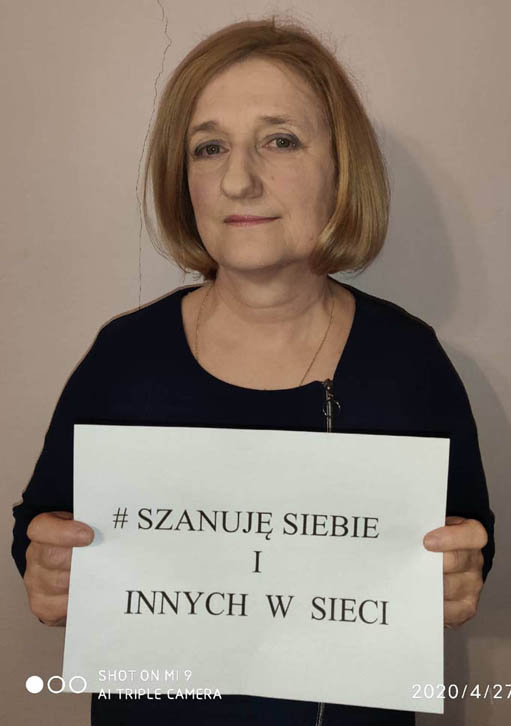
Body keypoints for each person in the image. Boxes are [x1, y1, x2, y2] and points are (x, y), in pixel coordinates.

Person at [11, 15, 495, 726]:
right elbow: (42, 522)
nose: (237, 180)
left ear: (342, 167)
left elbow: (467, 532)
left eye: (280, 140)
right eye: (209, 148)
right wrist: (47, 563)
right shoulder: (124, 357)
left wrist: (459, 573)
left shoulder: (409, 361)